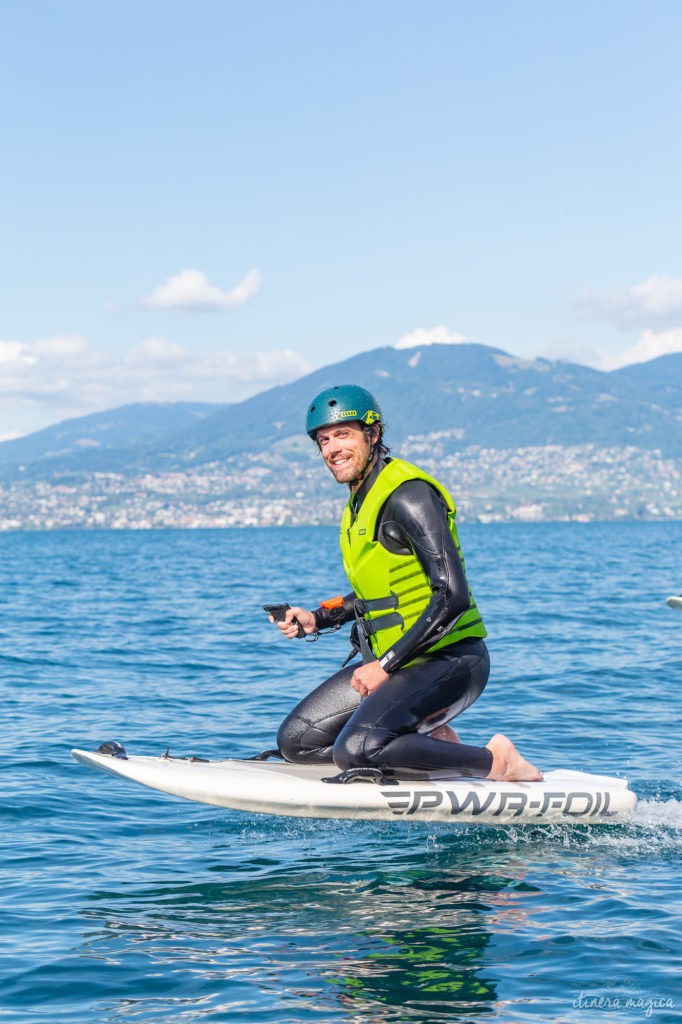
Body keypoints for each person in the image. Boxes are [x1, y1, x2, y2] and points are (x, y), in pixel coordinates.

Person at [269, 384, 541, 782]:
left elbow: (452, 595)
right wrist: (317, 618)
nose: (331, 449)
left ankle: (497, 761)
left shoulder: (409, 495)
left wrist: (384, 665)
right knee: (297, 742)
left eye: (343, 434)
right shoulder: (360, 502)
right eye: (323, 440)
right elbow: (381, 594)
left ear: (373, 434)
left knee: (357, 749)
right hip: (400, 666)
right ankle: (431, 747)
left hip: (452, 661)